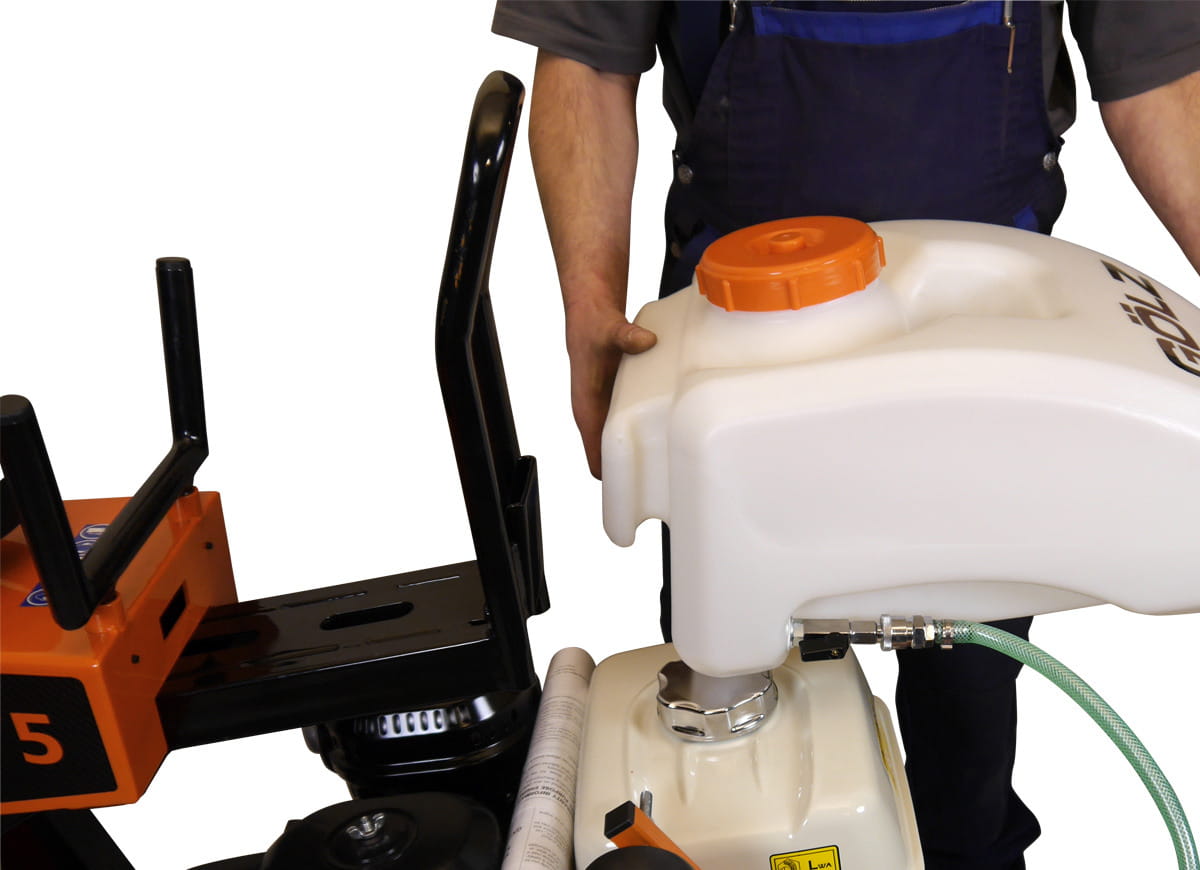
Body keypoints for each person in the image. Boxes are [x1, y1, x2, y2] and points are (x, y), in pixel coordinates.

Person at [493, 3, 1200, 868]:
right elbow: (588, 57)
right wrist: (590, 305)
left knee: (968, 702)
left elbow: (1159, 76)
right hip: (742, 343)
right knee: (731, 706)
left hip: (986, 343)